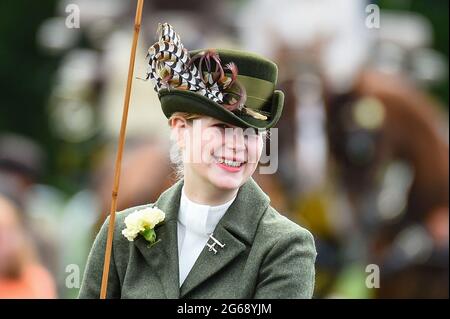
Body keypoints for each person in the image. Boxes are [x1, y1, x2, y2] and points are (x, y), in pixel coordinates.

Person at [79, 23, 316, 299]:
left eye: (251, 133)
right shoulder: (119, 234)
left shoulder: (285, 246)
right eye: (221, 128)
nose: (238, 146)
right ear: (180, 130)